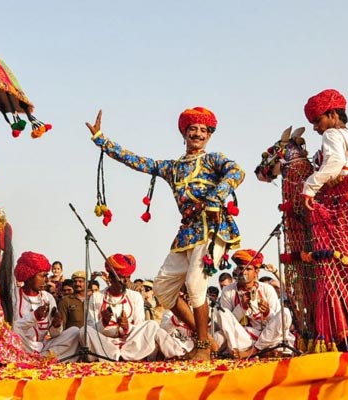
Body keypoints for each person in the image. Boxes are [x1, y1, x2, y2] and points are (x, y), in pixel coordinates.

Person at [85, 107, 244, 361]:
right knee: (162, 289)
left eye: (203, 130)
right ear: (184, 133)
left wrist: (215, 197)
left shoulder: (214, 159)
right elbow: (138, 161)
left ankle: (202, 345)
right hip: (188, 233)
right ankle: (205, 337)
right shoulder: (172, 168)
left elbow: (236, 172)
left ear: (209, 136)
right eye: (193, 129)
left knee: (194, 285)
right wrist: (102, 140)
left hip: (213, 229)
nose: (198, 134)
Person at [85, 254, 184, 361]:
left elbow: (139, 327)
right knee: (83, 331)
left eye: (128, 277)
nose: (125, 281)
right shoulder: (96, 297)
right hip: (105, 345)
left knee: (151, 325)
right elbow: (91, 329)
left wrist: (127, 326)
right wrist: (103, 322)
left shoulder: (135, 296)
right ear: (110, 278)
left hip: (130, 345)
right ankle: (115, 357)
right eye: (122, 277)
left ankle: (176, 355)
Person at [215, 249, 294, 358]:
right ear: (237, 270)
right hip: (244, 337)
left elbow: (275, 323)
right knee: (222, 314)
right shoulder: (228, 291)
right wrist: (242, 307)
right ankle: (260, 351)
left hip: (268, 336)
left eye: (248, 269)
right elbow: (227, 323)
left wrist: (267, 313)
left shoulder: (267, 289)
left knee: (285, 313)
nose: (244, 272)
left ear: (256, 272)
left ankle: (254, 351)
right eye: (241, 269)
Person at [301, 89, 348, 200]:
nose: (314, 127)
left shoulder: (330, 133)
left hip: (342, 202)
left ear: (332, 114)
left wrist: (309, 188)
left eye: (317, 121)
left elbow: (336, 161)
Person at [10, 252, 79, 359]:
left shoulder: (48, 297)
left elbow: (55, 334)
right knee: (11, 328)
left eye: (47, 276)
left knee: (75, 332)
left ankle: (42, 358)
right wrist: (35, 317)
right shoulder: (13, 296)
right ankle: (39, 358)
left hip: (44, 346)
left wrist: (56, 325)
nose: (46, 280)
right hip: (22, 345)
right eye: (43, 276)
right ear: (29, 277)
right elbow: (14, 327)